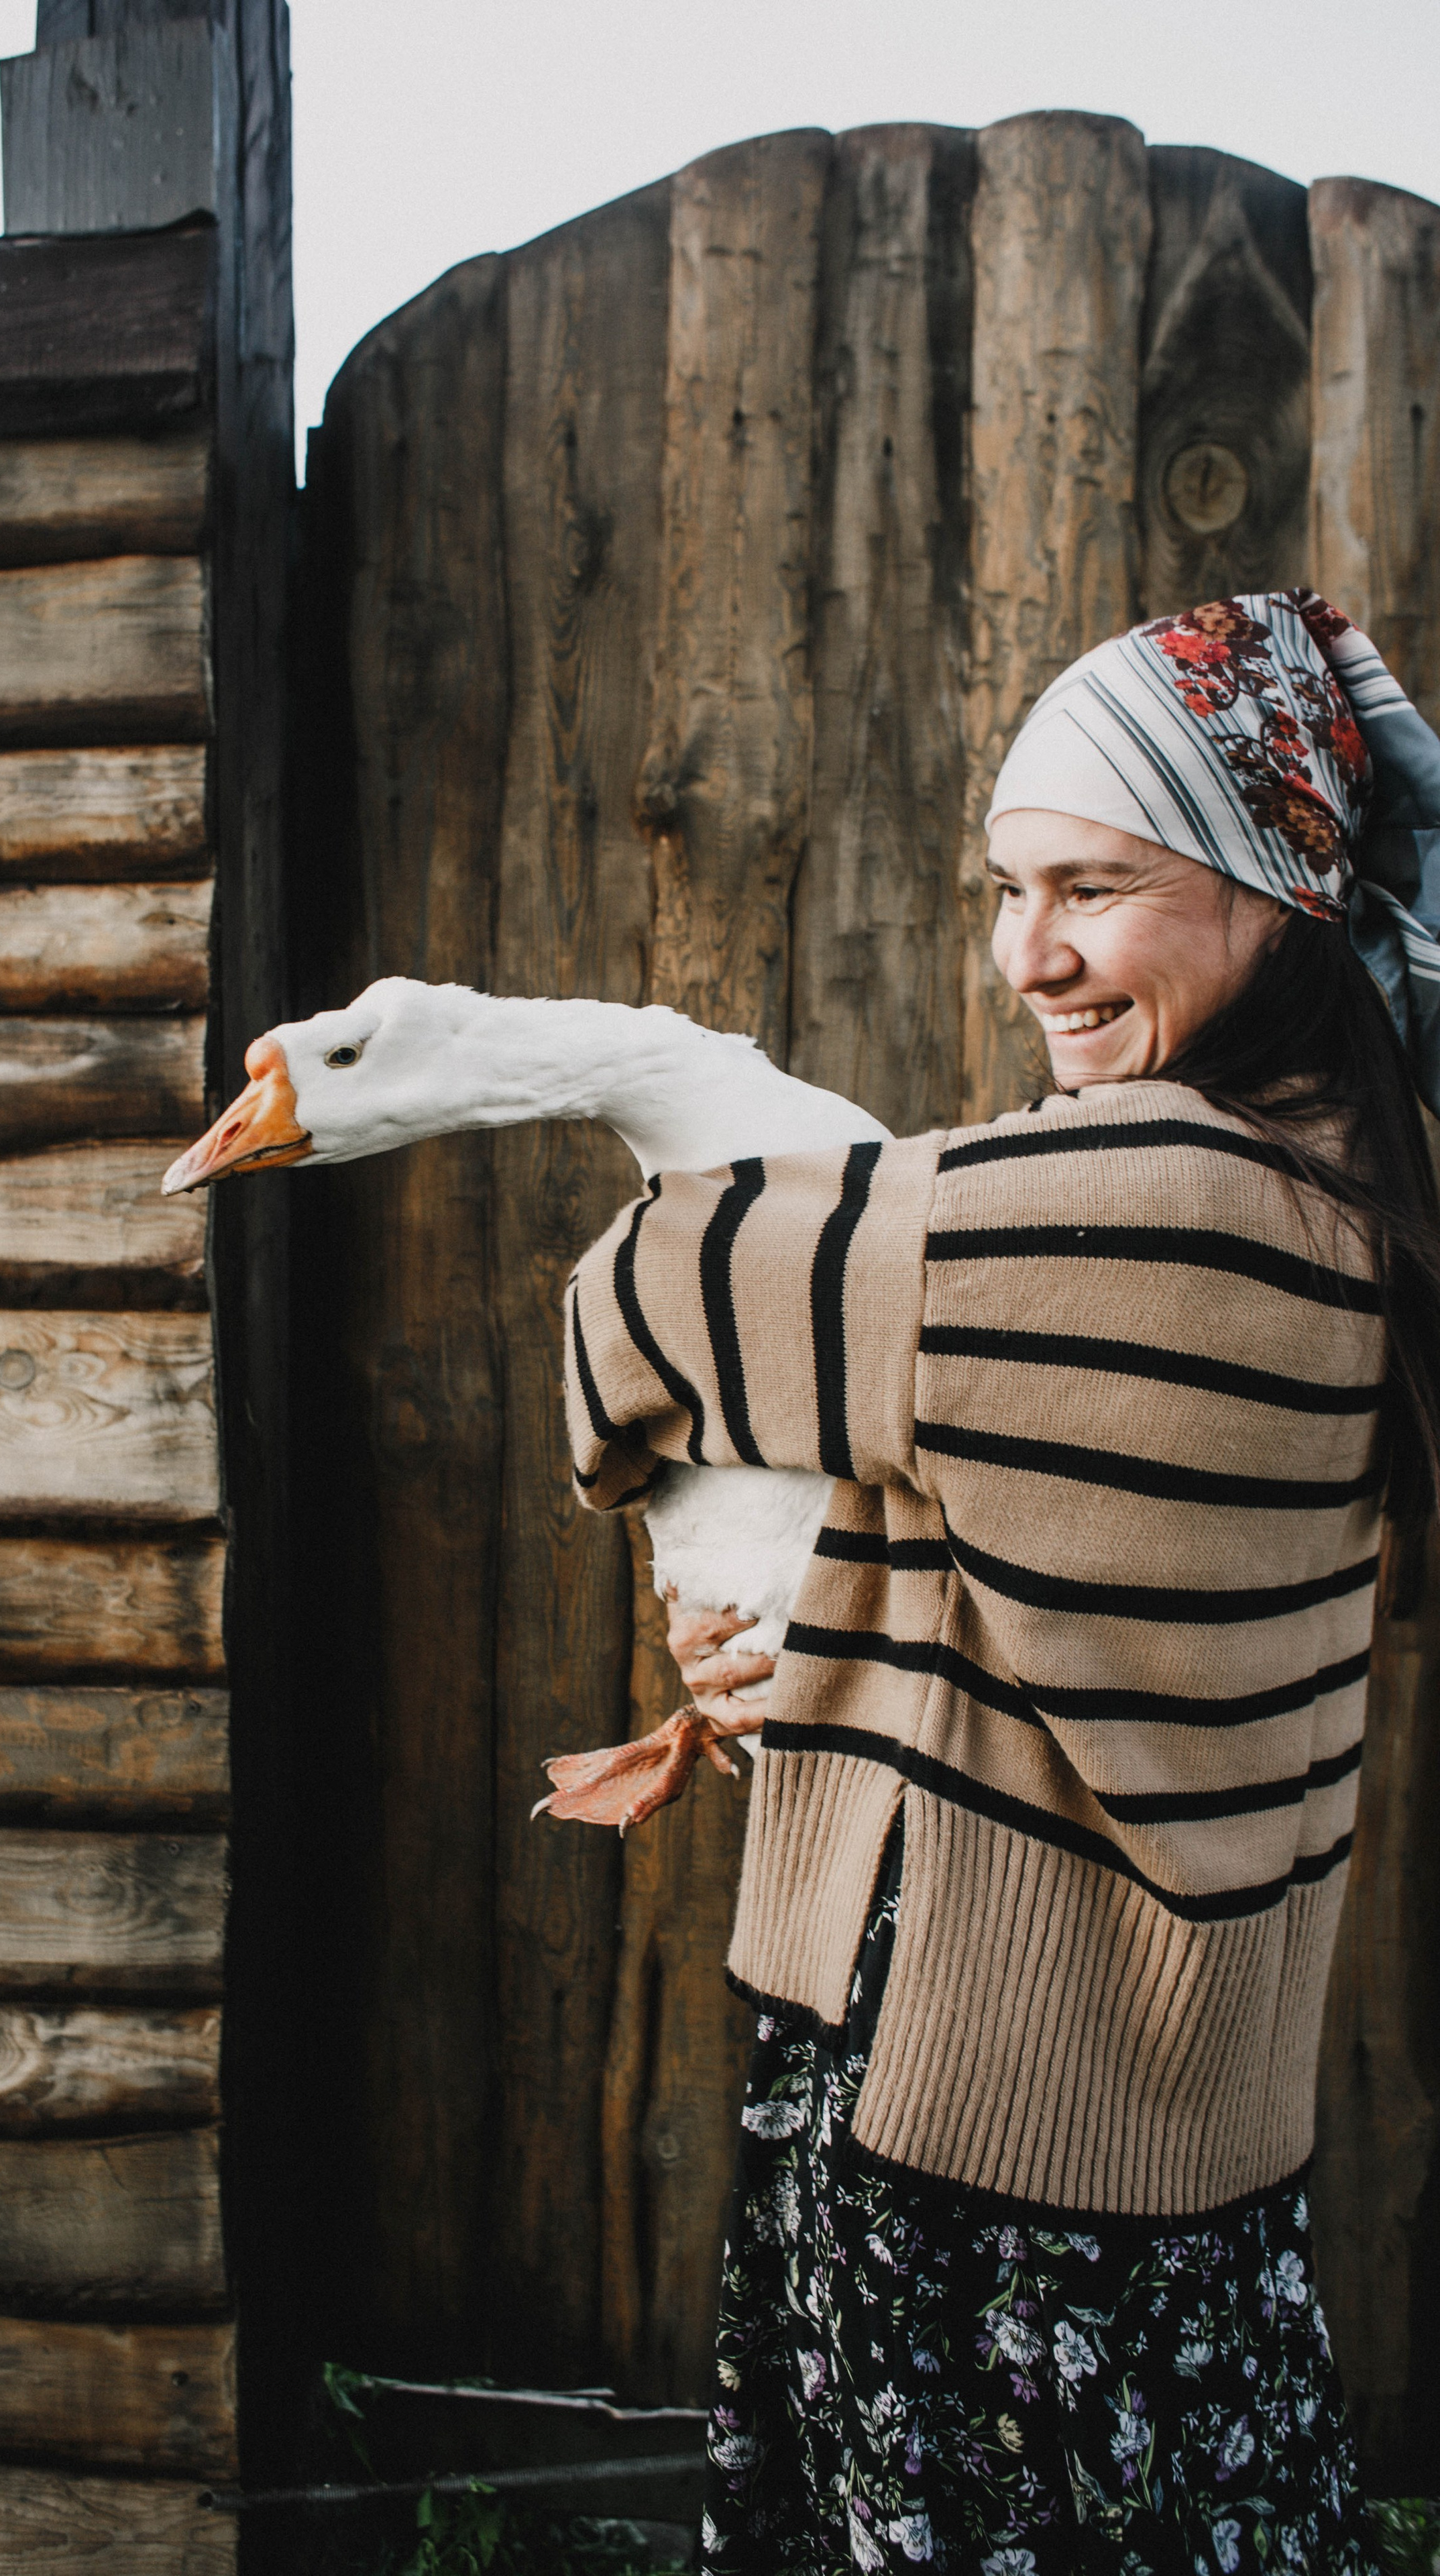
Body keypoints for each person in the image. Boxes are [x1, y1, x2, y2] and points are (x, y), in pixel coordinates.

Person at [563, 590, 1440, 2575]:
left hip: (986, 2142)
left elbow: (640, 1299)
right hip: (1168, 2134)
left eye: (1095, 890)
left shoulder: (1161, 1205)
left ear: (1278, 895)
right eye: (1007, 888)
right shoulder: (1328, 1175)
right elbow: (1048, 1587)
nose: (1025, 955)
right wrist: (816, 1598)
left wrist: (690, 1483)